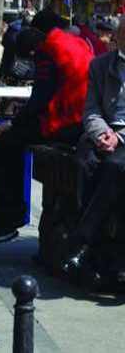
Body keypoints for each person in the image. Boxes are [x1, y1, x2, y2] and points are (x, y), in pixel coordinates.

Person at [0, 14, 94, 246]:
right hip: (83, 119)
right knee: (14, 139)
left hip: (64, 122)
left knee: (0, 145)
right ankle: (9, 211)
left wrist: (13, 123)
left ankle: (8, 214)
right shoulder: (76, 42)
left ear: (32, 49)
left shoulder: (47, 49)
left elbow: (41, 97)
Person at [62, 18, 125, 278]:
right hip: (102, 130)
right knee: (83, 163)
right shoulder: (100, 66)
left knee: (114, 168)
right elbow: (91, 109)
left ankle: (83, 243)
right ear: (118, 37)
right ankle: (91, 245)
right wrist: (102, 134)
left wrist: (119, 138)